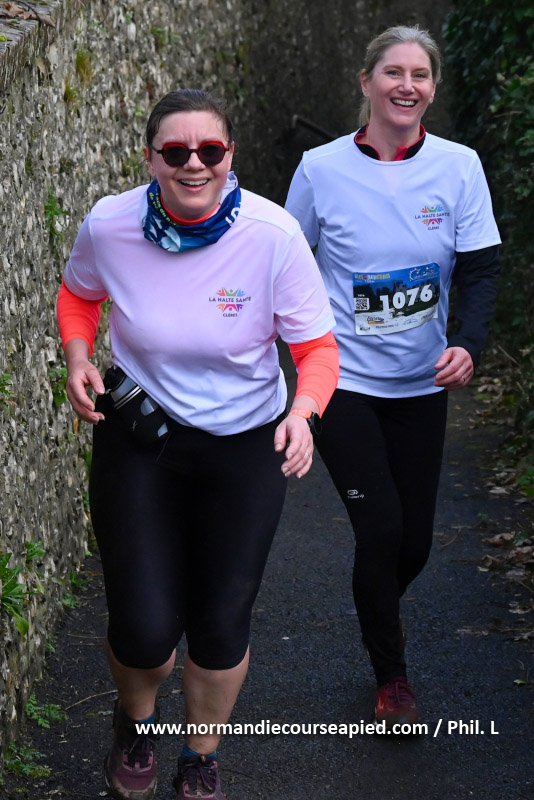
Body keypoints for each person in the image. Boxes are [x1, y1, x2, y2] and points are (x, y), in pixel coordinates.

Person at [57, 88, 339, 800]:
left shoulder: (273, 236)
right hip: (141, 442)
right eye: (175, 151)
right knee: (144, 629)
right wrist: (78, 355)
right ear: (150, 158)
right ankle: (135, 723)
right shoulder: (110, 223)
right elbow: (79, 294)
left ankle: (200, 756)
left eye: (209, 150)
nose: (193, 164)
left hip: (243, 448)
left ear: (229, 156)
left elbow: (317, 349)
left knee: (219, 626)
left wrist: (303, 412)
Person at [285, 25, 501, 730]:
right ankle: (392, 677)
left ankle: (377, 603)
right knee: (380, 530)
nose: (407, 85)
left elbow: (480, 268)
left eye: (420, 74)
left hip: (421, 385)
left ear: (432, 88)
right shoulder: (319, 169)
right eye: (393, 72)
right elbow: (286, 264)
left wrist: (467, 343)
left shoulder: (459, 166)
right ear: (367, 81)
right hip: (342, 381)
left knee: (415, 544)